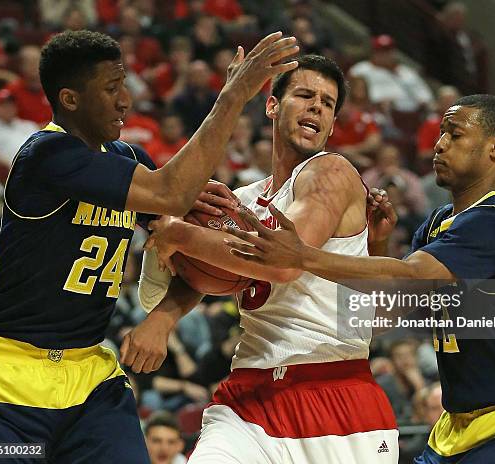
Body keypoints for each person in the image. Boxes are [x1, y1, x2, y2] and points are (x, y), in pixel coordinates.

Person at [0, 29, 298, 463]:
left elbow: (193, 257)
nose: (125, 100)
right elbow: (170, 193)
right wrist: (234, 94)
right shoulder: (46, 156)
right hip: (2, 382)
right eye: (111, 89)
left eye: (124, 83)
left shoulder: (131, 161)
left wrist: (163, 319)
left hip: (90, 381)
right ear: (70, 100)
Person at [223, 94, 495, 463]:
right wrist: (380, 244)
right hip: (457, 427)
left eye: (455, 134)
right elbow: (387, 312)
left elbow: (413, 274)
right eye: (441, 133)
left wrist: (303, 256)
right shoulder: (437, 224)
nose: (439, 144)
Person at [123, 54, 399, 463]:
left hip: (335, 392)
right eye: (305, 94)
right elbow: (213, 269)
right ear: (272, 105)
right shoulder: (245, 200)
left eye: (327, 102)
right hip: (249, 396)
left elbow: (284, 262)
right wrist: (163, 318)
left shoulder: (333, 172)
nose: (317, 106)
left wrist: (180, 233)